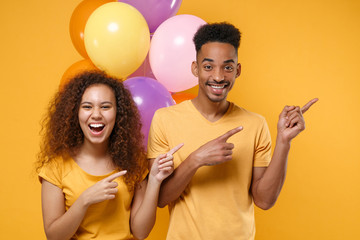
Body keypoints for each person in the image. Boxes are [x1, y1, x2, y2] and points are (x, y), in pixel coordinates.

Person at [147, 22, 318, 239]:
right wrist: (195, 160)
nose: (218, 77)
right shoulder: (165, 119)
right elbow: (160, 199)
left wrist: (284, 141)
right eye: (208, 67)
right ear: (195, 68)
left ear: (237, 71)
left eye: (227, 67)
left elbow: (264, 201)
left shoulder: (256, 124)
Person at [36, 71, 182, 240]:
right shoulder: (56, 166)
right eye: (87, 106)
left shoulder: (134, 162)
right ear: (75, 112)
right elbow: (54, 236)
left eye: (105, 106)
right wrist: (85, 200)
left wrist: (155, 182)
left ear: (118, 113)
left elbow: (141, 232)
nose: (96, 114)